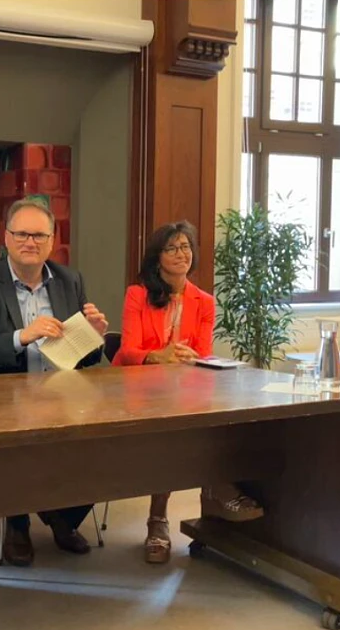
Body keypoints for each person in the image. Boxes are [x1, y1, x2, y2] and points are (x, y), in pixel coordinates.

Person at [0, 198, 109, 567]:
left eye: (39, 235)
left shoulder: (70, 280)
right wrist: (21, 336)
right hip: (4, 403)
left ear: (52, 241)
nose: (30, 242)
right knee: (18, 446)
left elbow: (86, 360)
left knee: (108, 443)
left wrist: (94, 335)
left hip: (63, 399)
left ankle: (61, 516)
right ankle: (17, 522)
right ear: (6, 238)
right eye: (21, 233)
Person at [113, 220, 264, 564]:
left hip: (187, 388)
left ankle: (213, 489)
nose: (181, 254)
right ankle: (163, 517)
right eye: (172, 248)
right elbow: (128, 349)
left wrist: (188, 357)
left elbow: (204, 351)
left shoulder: (205, 301)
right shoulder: (138, 294)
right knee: (172, 430)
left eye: (186, 247)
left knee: (217, 417)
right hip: (138, 389)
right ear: (157, 257)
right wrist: (158, 355)